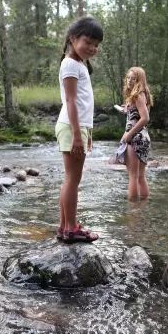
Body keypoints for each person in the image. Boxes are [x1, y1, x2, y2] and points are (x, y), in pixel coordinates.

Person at [55, 17, 104, 243]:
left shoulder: (77, 64)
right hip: (71, 127)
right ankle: (71, 228)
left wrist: (86, 134)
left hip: (76, 127)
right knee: (73, 179)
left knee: (70, 178)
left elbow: (83, 103)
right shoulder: (71, 64)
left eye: (96, 44)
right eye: (88, 42)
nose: (93, 48)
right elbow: (71, 101)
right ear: (73, 39)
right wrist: (77, 135)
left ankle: (65, 227)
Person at [119, 67, 153, 200]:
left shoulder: (137, 95)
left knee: (133, 177)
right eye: (128, 77)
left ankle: (133, 211)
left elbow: (145, 118)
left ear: (139, 80)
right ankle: (142, 208)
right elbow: (138, 115)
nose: (129, 80)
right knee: (140, 176)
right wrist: (127, 109)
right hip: (143, 137)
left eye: (133, 78)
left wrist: (129, 134)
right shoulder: (143, 95)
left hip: (135, 137)